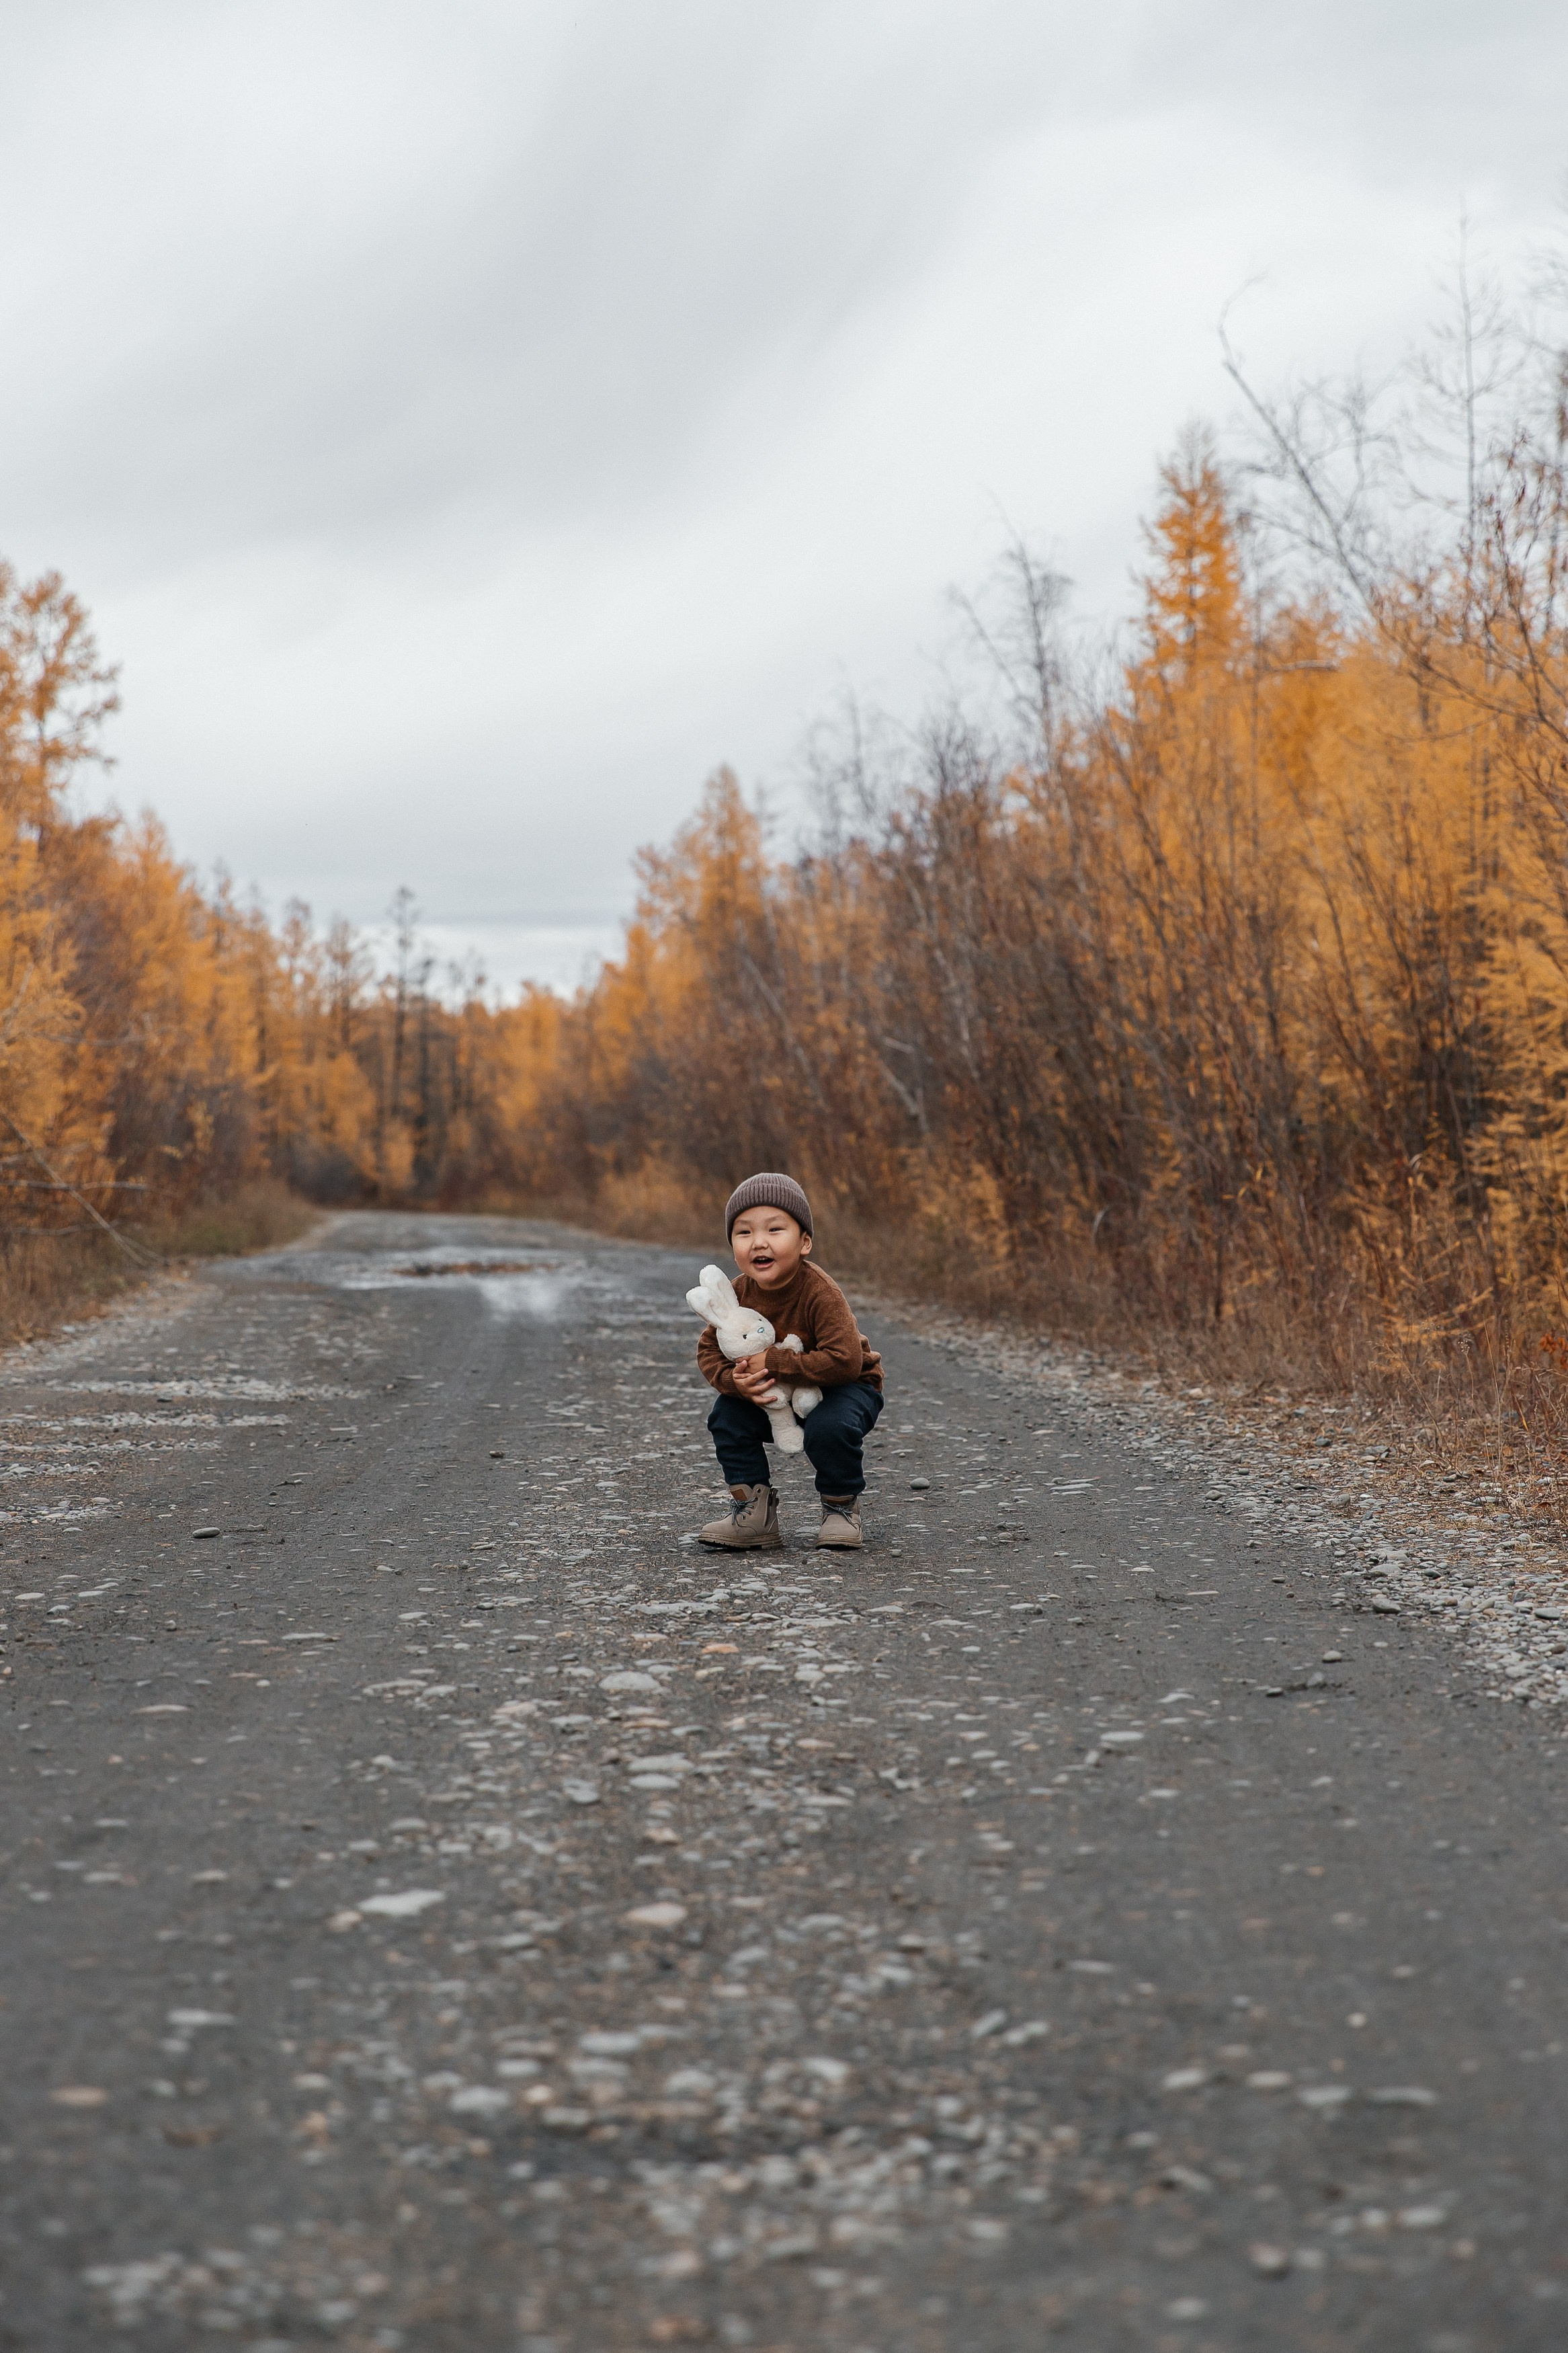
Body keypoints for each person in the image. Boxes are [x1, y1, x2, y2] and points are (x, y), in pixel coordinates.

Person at [694, 1172, 883, 1552]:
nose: (759, 1242)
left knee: (828, 1430)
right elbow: (709, 1351)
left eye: (775, 1230)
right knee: (726, 1417)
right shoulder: (735, 1294)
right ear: (733, 1248)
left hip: (845, 1388)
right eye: (744, 1233)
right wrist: (736, 1383)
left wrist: (773, 1362)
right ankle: (753, 1511)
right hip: (778, 1394)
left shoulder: (820, 1292)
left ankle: (840, 1506)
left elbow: (845, 1361)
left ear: (805, 1242)